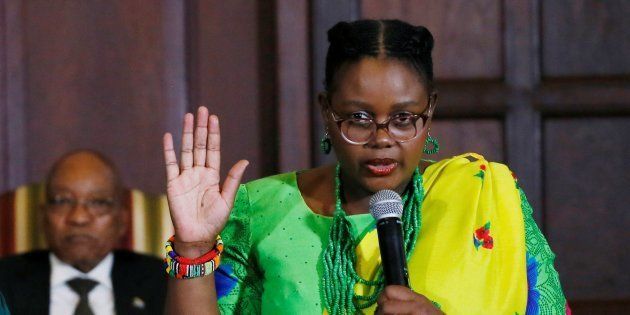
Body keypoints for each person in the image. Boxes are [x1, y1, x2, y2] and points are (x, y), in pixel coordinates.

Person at [162, 20, 568, 314]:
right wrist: (194, 248)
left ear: (430, 112)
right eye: (358, 118)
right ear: (326, 111)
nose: (382, 139)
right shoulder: (262, 209)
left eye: (404, 118)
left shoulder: (483, 194)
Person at [0, 150, 166, 315]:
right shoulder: (4, 281)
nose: (79, 218)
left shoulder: (162, 282)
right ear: (43, 217)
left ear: (122, 221)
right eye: (62, 201)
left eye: (98, 202)